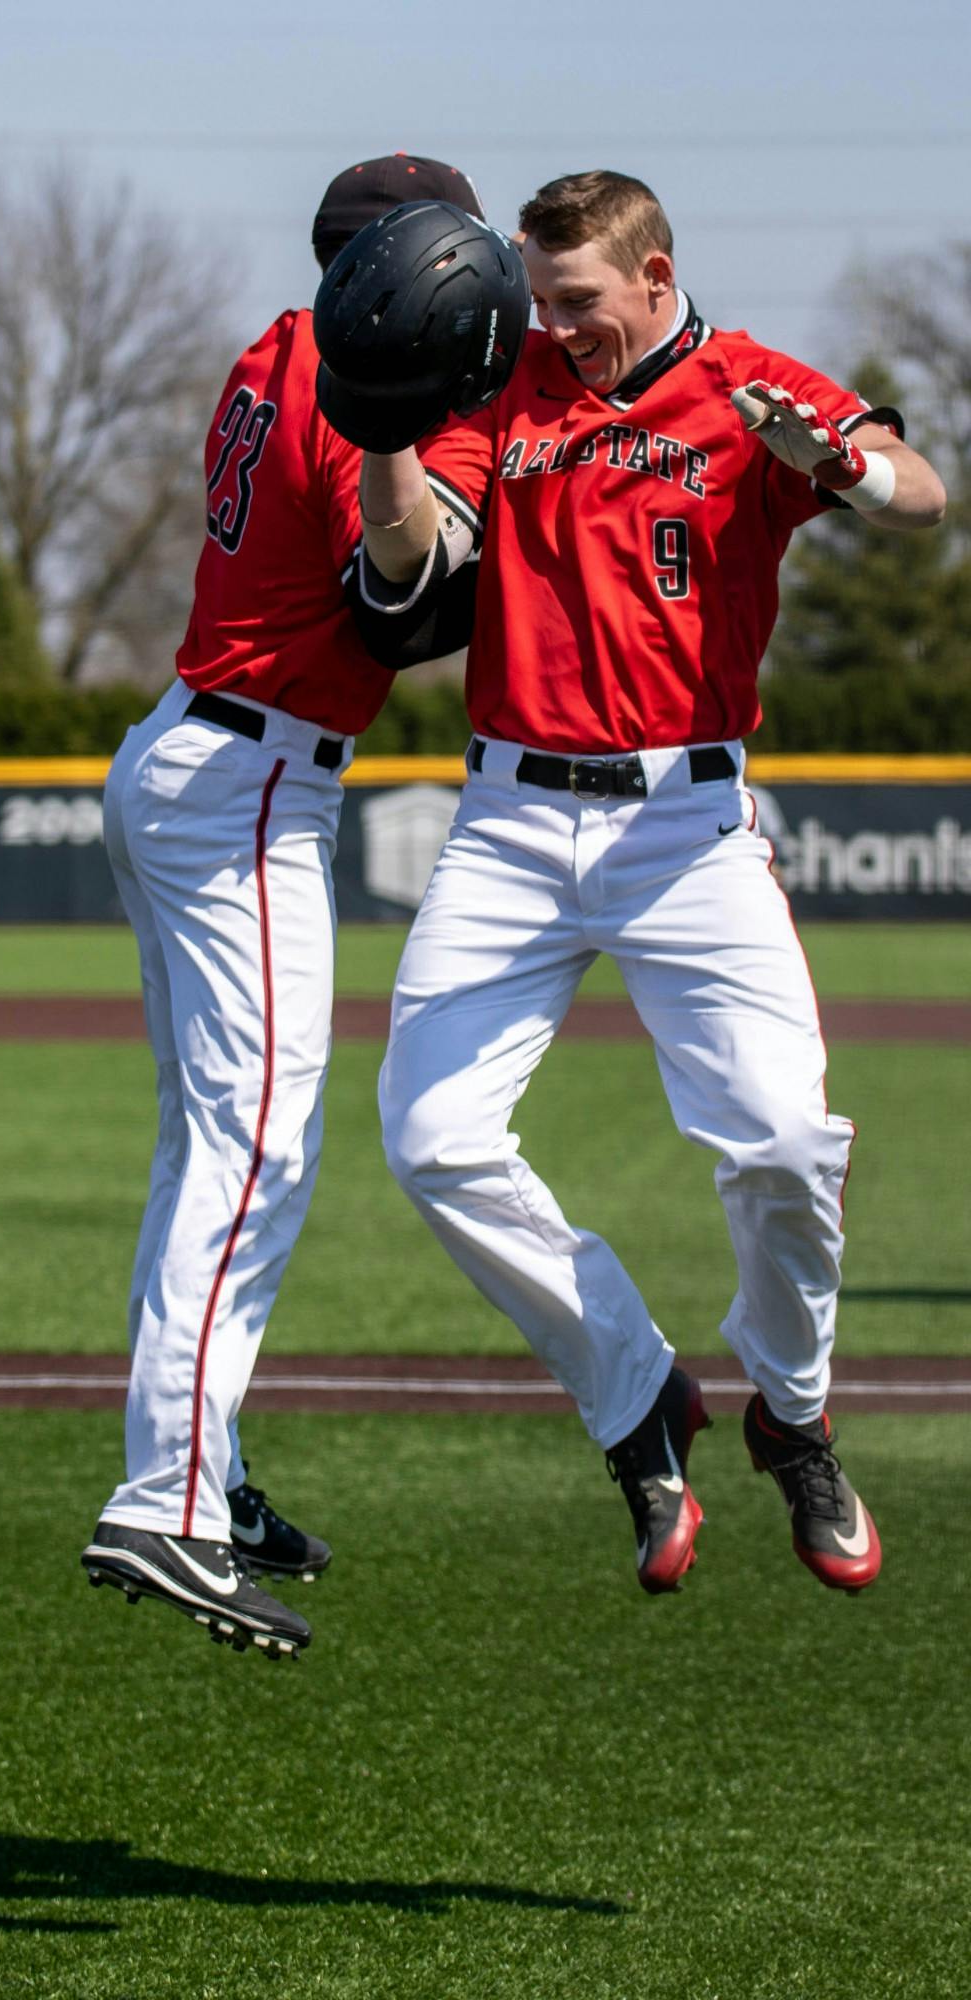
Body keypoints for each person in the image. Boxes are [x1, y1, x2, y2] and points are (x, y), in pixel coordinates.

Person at [352, 170, 945, 1596]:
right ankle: (637, 1399)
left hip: (689, 828)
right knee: (431, 1136)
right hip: (510, 822)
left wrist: (851, 461)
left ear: (658, 275)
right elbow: (410, 559)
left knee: (788, 1145)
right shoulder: (514, 390)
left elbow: (924, 498)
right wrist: (382, 433)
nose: (555, 327)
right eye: (540, 301)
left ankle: (791, 1416)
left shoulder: (746, 384)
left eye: (581, 302)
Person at [80, 154, 485, 1657]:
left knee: (211, 1138)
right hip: (249, 774)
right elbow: (402, 590)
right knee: (259, 1143)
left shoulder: (277, 342)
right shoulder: (351, 392)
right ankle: (166, 1498)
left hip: (185, 748)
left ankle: (210, 1468)